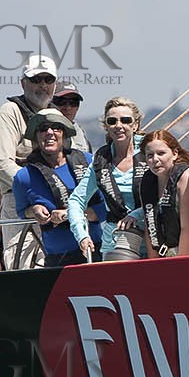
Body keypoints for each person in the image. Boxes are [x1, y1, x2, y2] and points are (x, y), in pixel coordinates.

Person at [0, 54, 59, 269]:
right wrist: (35, 190)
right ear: (23, 83)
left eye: (48, 80)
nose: (43, 85)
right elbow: (1, 163)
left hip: (55, 203)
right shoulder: (9, 112)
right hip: (19, 202)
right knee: (23, 265)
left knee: (55, 264)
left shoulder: (55, 115)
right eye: (36, 80)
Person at [13, 109, 92, 268]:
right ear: (36, 136)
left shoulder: (88, 162)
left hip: (94, 251)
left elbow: (103, 210)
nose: (49, 133)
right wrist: (33, 210)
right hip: (56, 260)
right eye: (43, 129)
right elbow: (22, 212)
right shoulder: (23, 177)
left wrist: (69, 215)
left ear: (64, 133)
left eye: (56, 127)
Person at [69, 96, 143, 260]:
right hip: (115, 244)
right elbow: (76, 200)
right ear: (106, 126)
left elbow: (166, 192)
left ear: (135, 124)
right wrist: (81, 235)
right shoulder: (101, 161)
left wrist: (136, 215)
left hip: (151, 239)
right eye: (112, 121)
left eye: (125, 120)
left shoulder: (150, 153)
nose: (119, 126)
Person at [135, 129, 189, 257]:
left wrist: (180, 266)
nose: (155, 159)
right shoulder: (148, 181)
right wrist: (153, 263)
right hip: (168, 251)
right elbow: (150, 225)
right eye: (150, 155)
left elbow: (187, 229)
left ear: (175, 153)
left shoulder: (187, 179)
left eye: (161, 153)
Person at [52, 81, 91, 155]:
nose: (68, 107)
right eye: (61, 101)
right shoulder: (44, 132)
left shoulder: (81, 132)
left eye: (73, 102)